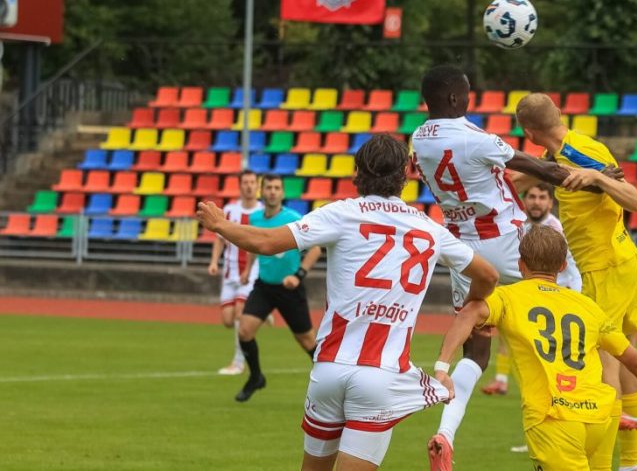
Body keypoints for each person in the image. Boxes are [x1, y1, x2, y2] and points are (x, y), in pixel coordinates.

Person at [197, 135, 500, 471]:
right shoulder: (430, 229)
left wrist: (221, 225)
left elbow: (267, 242)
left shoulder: (340, 213)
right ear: (406, 174)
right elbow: (488, 275)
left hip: (329, 369)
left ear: (357, 171)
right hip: (382, 375)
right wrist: (468, 307)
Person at [412, 64, 622, 469]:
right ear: (455, 98)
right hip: (507, 241)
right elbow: (544, 171)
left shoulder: (419, 139)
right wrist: (598, 177)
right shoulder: (477, 139)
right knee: (574, 300)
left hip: (463, 251)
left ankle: (445, 433)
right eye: (467, 92)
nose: (470, 98)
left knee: (477, 351)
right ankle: (586, 404)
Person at [433, 225, 637, 470]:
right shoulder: (587, 306)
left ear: (520, 264)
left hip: (553, 419)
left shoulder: (508, 297)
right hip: (598, 417)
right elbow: (635, 360)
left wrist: (443, 367)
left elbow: (468, 314)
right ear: (563, 266)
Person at [515, 92, 637, 471]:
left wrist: (597, 177)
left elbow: (636, 201)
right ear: (558, 114)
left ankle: (603, 466)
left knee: (603, 367)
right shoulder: (561, 154)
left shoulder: (583, 153)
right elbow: (520, 177)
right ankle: (631, 464)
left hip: (605, 268)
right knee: (625, 358)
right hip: (620, 262)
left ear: (528, 132)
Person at [481, 182, 582, 397]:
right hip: (530, 288)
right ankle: (502, 380)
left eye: (542, 197)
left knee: (550, 343)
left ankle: (562, 386)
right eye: (532, 197)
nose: (536, 202)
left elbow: (572, 266)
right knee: (510, 331)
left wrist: (576, 294)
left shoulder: (556, 229)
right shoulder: (519, 227)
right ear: (524, 201)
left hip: (559, 292)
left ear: (550, 203)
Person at [230, 173, 322, 402]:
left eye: (276, 188)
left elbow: (315, 249)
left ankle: (328, 382)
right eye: (269, 187)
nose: (272, 192)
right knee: (244, 331)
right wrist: (247, 270)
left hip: (290, 289)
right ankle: (256, 377)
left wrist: (298, 275)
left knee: (307, 341)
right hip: (264, 286)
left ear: (282, 193)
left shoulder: (293, 219)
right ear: (262, 191)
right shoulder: (255, 219)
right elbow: (254, 245)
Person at [207, 169, 263, 375]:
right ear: (240, 186)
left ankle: (238, 363)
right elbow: (219, 240)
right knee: (228, 321)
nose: (249, 186)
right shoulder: (230, 211)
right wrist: (214, 262)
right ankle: (262, 313)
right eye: (245, 182)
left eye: (252, 182)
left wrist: (250, 269)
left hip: (252, 273)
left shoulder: (261, 212)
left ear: (257, 186)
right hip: (230, 273)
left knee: (240, 314)